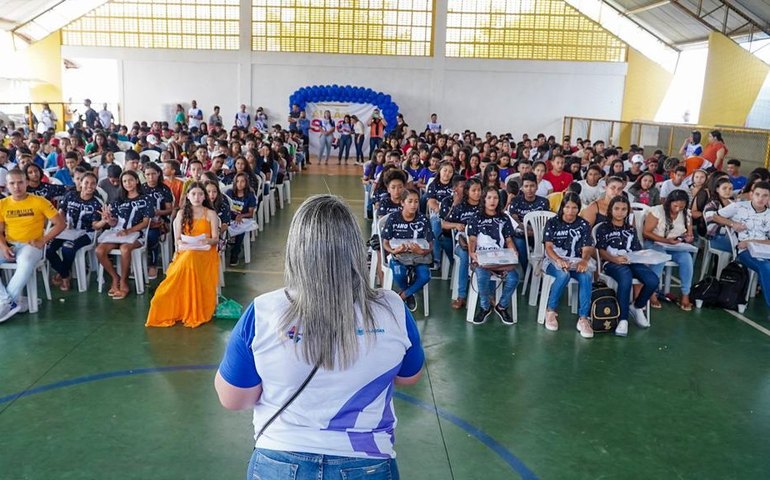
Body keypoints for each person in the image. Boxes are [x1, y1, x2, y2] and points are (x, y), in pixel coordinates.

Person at [214, 195, 423, 479]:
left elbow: (234, 399)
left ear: (296, 250)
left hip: (280, 458)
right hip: (368, 462)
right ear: (354, 248)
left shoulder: (263, 311)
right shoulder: (393, 308)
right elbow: (409, 376)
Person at [146, 182, 220, 328]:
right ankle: (168, 302)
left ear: (204, 196)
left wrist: (206, 240)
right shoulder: (181, 213)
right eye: (193, 194)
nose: (197, 197)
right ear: (188, 196)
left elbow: (216, 239)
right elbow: (178, 239)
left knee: (190, 258)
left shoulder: (210, 214)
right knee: (187, 259)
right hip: (186, 251)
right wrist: (183, 244)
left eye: (200, 194)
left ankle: (192, 307)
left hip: (205, 252)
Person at [0, 169, 65, 323]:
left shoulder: (39, 201)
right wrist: (3, 246)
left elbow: (61, 224)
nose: (17, 186)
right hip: (9, 245)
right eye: (12, 183)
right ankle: (8, 301)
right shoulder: (2, 204)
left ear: (27, 183)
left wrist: (43, 240)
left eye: (20, 182)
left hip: (31, 245)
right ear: (7, 186)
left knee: (26, 262)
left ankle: (7, 303)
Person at [595, 196, 658, 336]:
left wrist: (643, 258)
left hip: (632, 261)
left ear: (628, 211)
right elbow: (601, 251)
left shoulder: (630, 229)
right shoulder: (603, 228)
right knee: (626, 278)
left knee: (652, 280)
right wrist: (615, 259)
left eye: (624, 209)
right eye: (616, 208)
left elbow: (636, 250)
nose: (620, 212)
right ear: (611, 210)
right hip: (611, 263)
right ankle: (623, 319)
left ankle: (637, 306)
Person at [95, 170, 154, 300]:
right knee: (99, 250)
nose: (128, 183)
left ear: (137, 181)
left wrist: (129, 230)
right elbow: (114, 222)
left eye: (131, 180)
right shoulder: (118, 200)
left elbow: (146, 222)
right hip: (118, 233)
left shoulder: (146, 199)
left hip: (137, 234)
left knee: (125, 249)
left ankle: (123, 282)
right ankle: (115, 277)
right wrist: (108, 219)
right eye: (125, 181)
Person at [542, 193, 595, 338]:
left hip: (575, 261)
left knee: (587, 276)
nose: (570, 211)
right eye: (567, 207)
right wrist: (559, 260)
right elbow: (548, 247)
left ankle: (583, 318)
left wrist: (584, 260)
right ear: (562, 207)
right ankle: (551, 311)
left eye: (574, 208)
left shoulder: (583, 224)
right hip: (553, 260)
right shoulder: (552, 222)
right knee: (563, 275)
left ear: (579, 209)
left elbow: (587, 246)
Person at [711, 182, 770, 309]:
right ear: (751, 194)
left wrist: (753, 241)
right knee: (766, 267)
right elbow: (715, 216)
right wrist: (732, 224)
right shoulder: (738, 207)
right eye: (758, 194)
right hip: (745, 250)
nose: (761, 198)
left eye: (765, 196)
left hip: (764, 250)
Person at [47, 172, 107, 291]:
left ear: (96, 185)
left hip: (86, 233)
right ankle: (65, 273)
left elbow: (95, 226)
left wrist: (104, 221)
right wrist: (62, 223)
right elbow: (61, 212)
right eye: (86, 183)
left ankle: (63, 277)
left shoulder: (97, 203)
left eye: (93, 183)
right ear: (80, 183)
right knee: (48, 249)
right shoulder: (70, 195)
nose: (89, 186)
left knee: (67, 248)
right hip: (66, 230)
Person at [468, 187, 519, 325]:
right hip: (482, 258)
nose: (492, 201)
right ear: (484, 199)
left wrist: (513, 252)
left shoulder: (504, 218)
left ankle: (501, 306)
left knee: (514, 278)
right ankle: (485, 307)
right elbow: (472, 239)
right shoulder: (476, 217)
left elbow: (508, 240)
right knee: (482, 277)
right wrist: (472, 253)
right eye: (489, 197)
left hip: (500, 258)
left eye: (495, 198)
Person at [381, 187, 433, 312]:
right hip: (399, 256)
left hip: (419, 256)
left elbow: (431, 244)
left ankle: (404, 295)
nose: (414, 205)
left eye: (416, 201)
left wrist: (422, 251)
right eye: (410, 201)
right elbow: (385, 243)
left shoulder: (423, 219)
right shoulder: (393, 218)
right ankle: (409, 294)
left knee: (425, 276)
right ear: (402, 202)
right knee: (398, 273)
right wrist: (394, 251)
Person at [643, 190, 694, 310]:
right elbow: (646, 232)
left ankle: (685, 294)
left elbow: (689, 233)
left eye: (681, 206)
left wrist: (688, 237)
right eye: (675, 205)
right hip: (654, 242)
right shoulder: (657, 211)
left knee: (686, 258)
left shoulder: (686, 213)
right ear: (669, 203)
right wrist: (665, 241)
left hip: (674, 245)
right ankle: (652, 292)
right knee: (660, 257)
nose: (678, 209)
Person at [441, 178, 482, 309]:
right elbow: (444, 224)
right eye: (474, 190)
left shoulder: (484, 206)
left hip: (482, 243)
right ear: (467, 191)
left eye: (479, 190)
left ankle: (487, 295)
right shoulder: (460, 207)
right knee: (465, 256)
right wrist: (456, 225)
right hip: (463, 243)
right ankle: (461, 295)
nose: (477, 193)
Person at [507, 172, 550, 274]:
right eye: (526, 186)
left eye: (532, 186)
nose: (529, 189)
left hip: (539, 235)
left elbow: (545, 221)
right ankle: (528, 273)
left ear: (537, 186)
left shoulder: (543, 202)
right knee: (520, 244)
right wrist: (527, 230)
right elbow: (515, 220)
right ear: (522, 187)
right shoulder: (516, 201)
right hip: (521, 234)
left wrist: (535, 232)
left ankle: (541, 272)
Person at [142, 163, 174, 280]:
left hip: (160, 221)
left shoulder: (164, 189)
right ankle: (134, 265)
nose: (151, 177)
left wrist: (158, 213)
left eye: (153, 174)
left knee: (152, 234)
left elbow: (170, 210)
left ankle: (153, 264)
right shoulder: (141, 189)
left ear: (159, 173)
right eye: (148, 174)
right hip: (143, 222)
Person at [225, 173, 257, 267]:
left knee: (241, 229)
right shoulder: (229, 193)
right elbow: (225, 208)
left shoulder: (250, 195)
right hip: (230, 218)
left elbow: (251, 213)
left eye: (242, 181)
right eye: (237, 181)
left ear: (246, 183)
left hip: (243, 220)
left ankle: (235, 252)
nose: (240, 184)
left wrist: (241, 216)